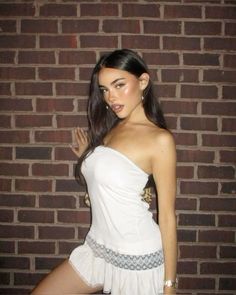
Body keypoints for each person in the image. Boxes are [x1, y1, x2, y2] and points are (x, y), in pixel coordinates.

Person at [31, 49, 177, 295]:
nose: (111, 97)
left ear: (143, 82)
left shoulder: (159, 139)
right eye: (105, 89)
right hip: (98, 248)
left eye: (119, 85)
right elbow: (114, 175)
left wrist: (169, 286)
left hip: (137, 256)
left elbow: (167, 217)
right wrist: (90, 156)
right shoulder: (114, 129)